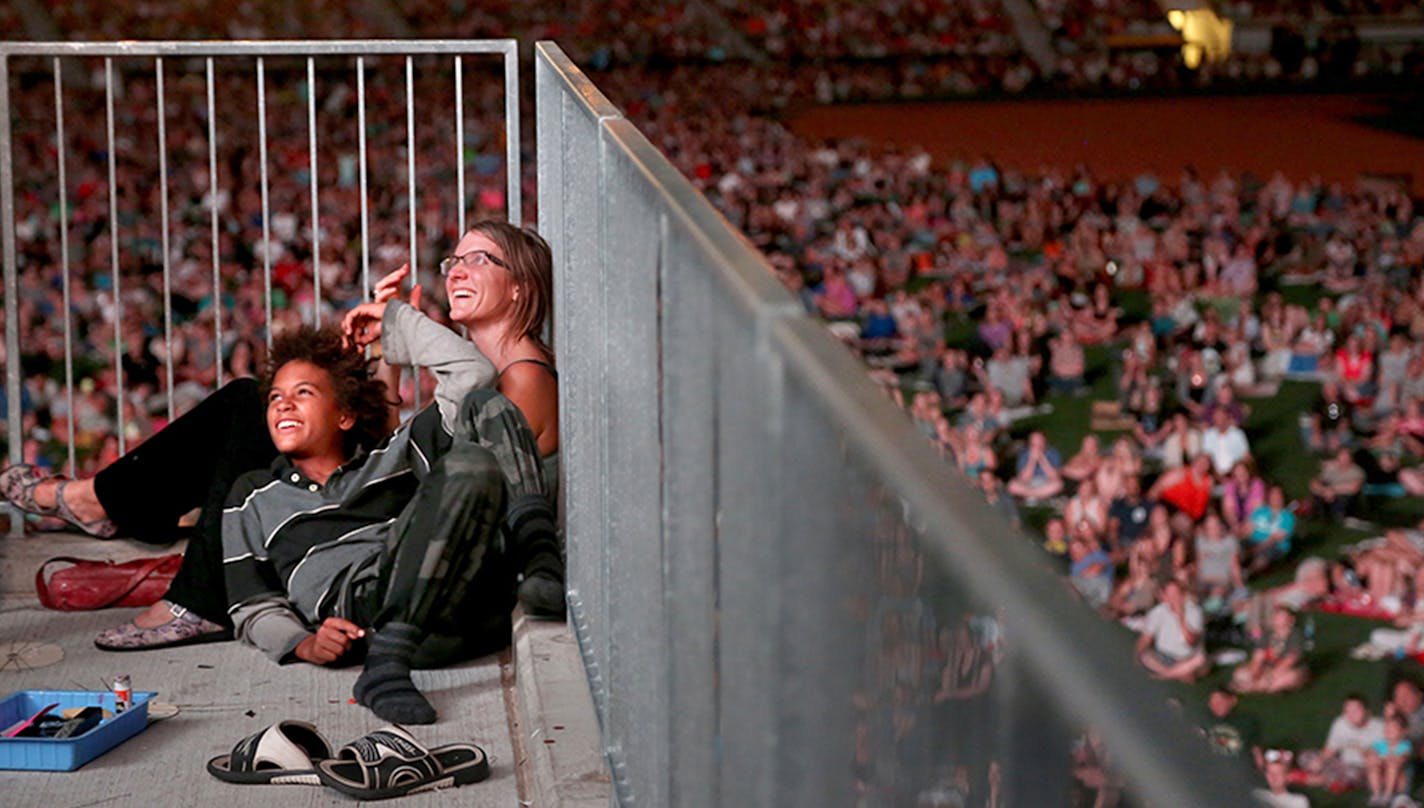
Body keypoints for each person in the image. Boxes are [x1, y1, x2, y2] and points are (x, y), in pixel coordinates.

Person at [1, 220, 566, 649]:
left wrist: (404, 330)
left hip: (415, 554)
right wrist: (385, 353)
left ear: (519, 287)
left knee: (256, 416)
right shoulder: (500, 367)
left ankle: (112, 519)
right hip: (402, 521)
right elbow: (410, 457)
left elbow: (432, 487)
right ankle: (105, 508)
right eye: (454, 260)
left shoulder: (521, 379)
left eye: (479, 261)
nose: (456, 272)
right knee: (251, 401)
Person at [1298, 694, 1385, 791]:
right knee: (1305, 757)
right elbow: (1331, 748)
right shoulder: (1340, 723)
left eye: (1355, 710)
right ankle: (1325, 778)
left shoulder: (1380, 727)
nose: (1351, 715)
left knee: (1353, 774)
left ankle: (1316, 779)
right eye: (1347, 711)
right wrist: (1320, 759)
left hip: (1364, 769)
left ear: (1366, 710)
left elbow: (1388, 755)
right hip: (1341, 763)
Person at [1135, 578, 1208, 683]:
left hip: (1185, 658)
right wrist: (1139, 655)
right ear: (1163, 597)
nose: (1176, 598)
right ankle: (1173, 673)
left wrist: (1181, 616)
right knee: (1144, 656)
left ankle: (1167, 674)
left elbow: (1190, 641)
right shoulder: (1158, 611)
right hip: (1163, 656)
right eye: (1171, 595)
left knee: (1199, 660)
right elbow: (1146, 638)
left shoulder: (1194, 612)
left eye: (1178, 594)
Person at [1229, 605, 1308, 694]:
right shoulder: (1266, 634)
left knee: (1291, 677)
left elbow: (1290, 661)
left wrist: (1269, 676)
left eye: (1280, 615)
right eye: (1274, 615)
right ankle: (1256, 686)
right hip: (1267, 668)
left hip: (1288, 669)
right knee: (1240, 673)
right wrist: (1253, 674)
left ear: (1291, 620)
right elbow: (1257, 659)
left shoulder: (1295, 635)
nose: (1275, 617)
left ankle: (1252, 687)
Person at [1365, 714, 1413, 806]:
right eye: (1386, 728)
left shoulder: (1405, 745)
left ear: (1402, 732)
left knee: (1392, 766)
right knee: (1373, 766)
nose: (1388, 730)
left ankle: (1388, 795)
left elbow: (1401, 759)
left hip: (1400, 781)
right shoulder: (1379, 743)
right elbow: (1370, 753)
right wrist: (1372, 756)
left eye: (1393, 728)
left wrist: (1383, 759)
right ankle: (1377, 794)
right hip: (1383, 779)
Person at [1006, 431, 1064, 502]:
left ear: (1044, 441)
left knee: (1058, 485)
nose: (1037, 445)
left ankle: (1031, 496)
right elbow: (1024, 478)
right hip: (1029, 484)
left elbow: (1054, 476)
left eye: (1039, 442)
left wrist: (1042, 459)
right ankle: (1039, 495)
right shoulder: (1023, 454)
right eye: (1034, 443)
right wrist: (1032, 460)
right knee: (1012, 485)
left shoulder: (1053, 453)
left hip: (1046, 482)